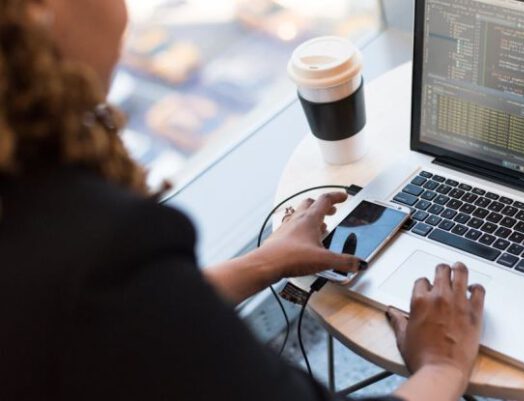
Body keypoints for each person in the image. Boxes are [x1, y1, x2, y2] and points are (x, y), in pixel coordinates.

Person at [0, 1, 487, 400]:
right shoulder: (99, 242)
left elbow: (113, 324)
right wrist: (442, 367)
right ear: (38, 13)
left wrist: (262, 262)